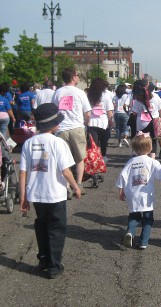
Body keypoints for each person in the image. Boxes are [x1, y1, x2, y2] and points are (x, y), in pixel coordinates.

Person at [19, 103, 81, 279]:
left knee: (41, 225)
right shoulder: (58, 143)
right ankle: (54, 265)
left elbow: (23, 172)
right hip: (55, 194)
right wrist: (76, 186)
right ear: (53, 124)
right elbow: (66, 170)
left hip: (36, 194)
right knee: (56, 228)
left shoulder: (28, 143)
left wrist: (23, 197)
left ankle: (43, 258)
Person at [115, 131, 161, 250]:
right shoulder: (152, 162)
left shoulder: (131, 162)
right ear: (150, 148)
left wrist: (120, 190)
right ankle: (143, 241)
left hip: (133, 194)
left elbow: (122, 176)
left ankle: (130, 232)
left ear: (134, 148)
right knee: (148, 219)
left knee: (134, 216)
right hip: (146, 196)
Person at [51, 67, 92, 197]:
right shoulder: (80, 93)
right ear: (73, 77)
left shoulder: (58, 92)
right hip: (77, 127)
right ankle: (79, 183)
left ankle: (67, 186)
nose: (78, 77)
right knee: (80, 157)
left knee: (64, 159)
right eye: (77, 75)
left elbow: (53, 110)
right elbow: (88, 113)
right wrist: (86, 124)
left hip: (61, 129)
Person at [131, 80, 161, 159]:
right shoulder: (155, 96)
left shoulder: (137, 99)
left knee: (141, 139)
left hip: (142, 122)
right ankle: (152, 158)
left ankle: (142, 156)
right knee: (153, 140)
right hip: (154, 121)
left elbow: (134, 113)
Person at [87, 78, 114, 162]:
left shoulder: (88, 95)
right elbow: (109, 111)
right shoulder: (105, 95)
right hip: (103, 122)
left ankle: (93, 158)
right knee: (103, 141)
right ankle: (103, 156)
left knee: (93, 142)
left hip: (91, 122)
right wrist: (110, 120)